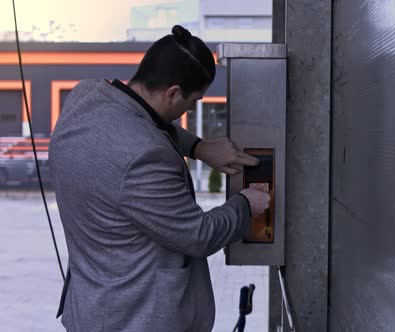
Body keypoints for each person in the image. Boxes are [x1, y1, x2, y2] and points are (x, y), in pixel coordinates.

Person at [48, 25, 270, 332]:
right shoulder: (144, 157)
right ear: (173, 93)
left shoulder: (84, 97)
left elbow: (141, 118)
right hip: (136, 318)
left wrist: (200, 148)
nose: (190, 109)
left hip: (89, 307)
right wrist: (246, 204)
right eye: (192, 102)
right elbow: (199, 235)